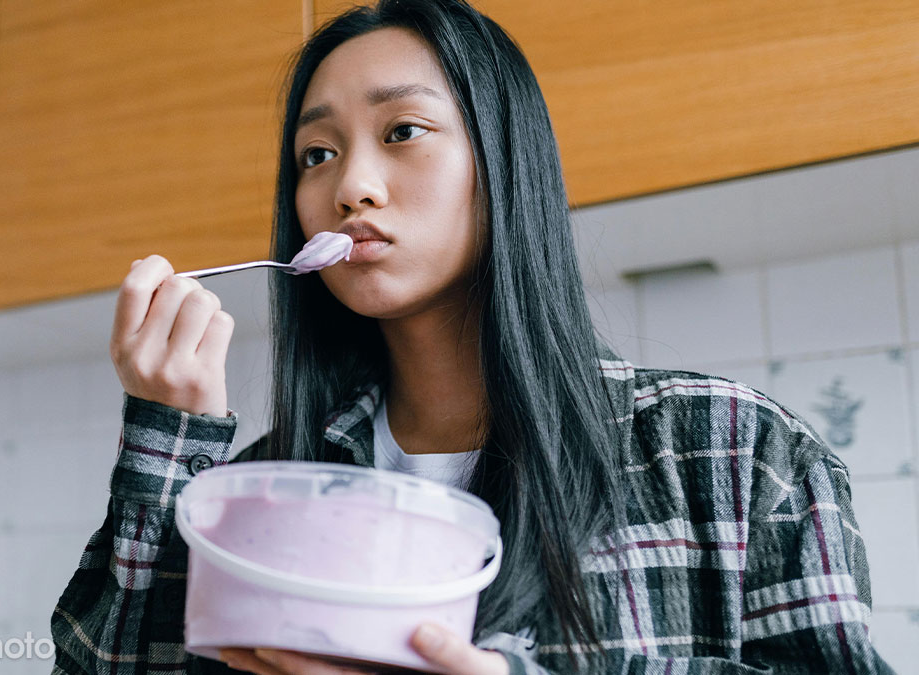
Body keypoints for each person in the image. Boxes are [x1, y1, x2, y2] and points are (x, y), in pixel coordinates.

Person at [50, 1, 895, 673]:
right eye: (316, 154)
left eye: (401, 132)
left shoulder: (734, 452)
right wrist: (169, 432)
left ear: (503, 161)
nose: (351, 187)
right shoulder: (266, 491)